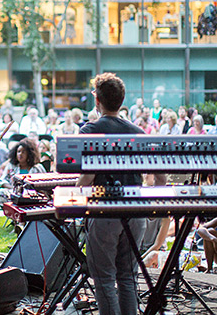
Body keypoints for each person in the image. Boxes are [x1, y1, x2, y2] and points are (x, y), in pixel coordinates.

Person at [75, 72, 166, 315]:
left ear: (98, 101)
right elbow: (160, 177)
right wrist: (154, 206)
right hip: (135, 212)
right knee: (128, 276)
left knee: (104, 279)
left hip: (104, 212)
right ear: (122, 99)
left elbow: (87, 177)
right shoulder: (139, 131)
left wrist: (71, 198)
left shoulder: (90, 130)